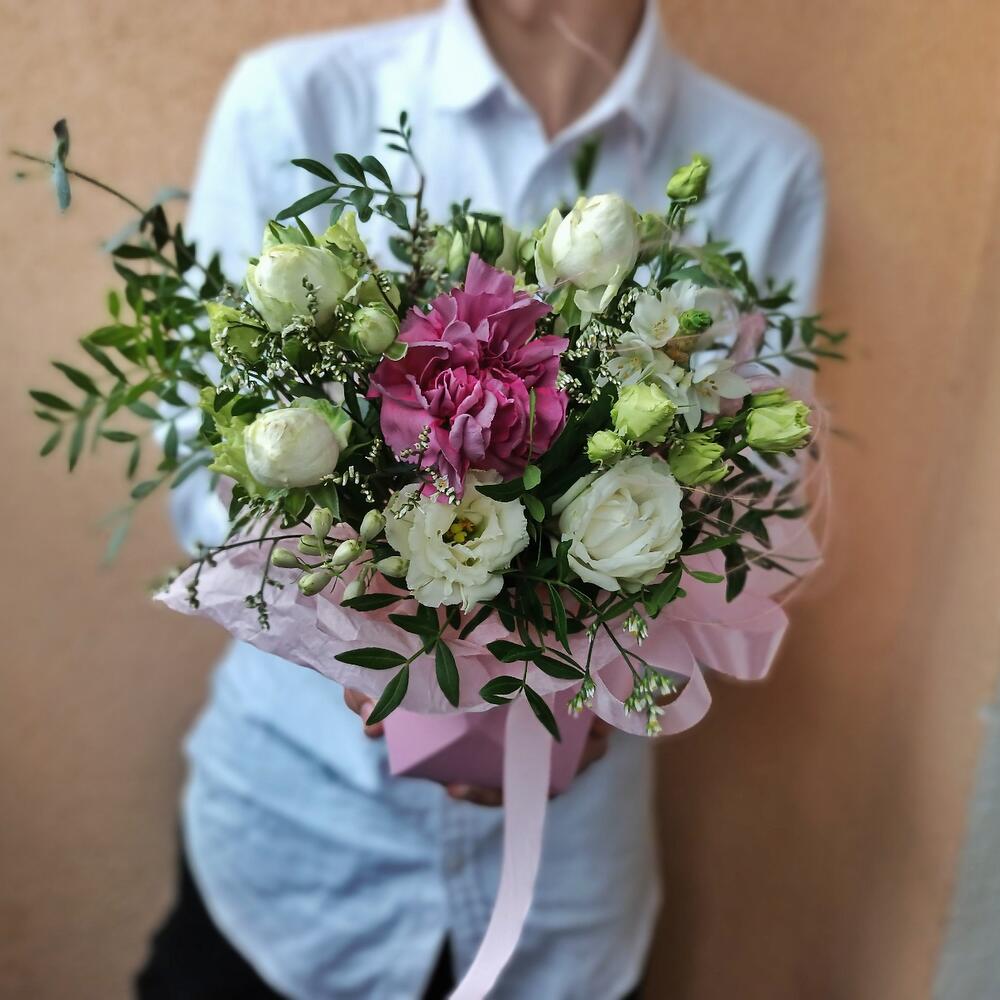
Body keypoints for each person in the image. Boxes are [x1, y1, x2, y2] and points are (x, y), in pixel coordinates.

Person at [135, 1, 826, 997]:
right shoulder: (300, 100)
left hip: (564, 895)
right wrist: (363, 622)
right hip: (298, 853)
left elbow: (755, 507)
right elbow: (204, 475)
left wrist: (593, 679)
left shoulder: (765, 166)